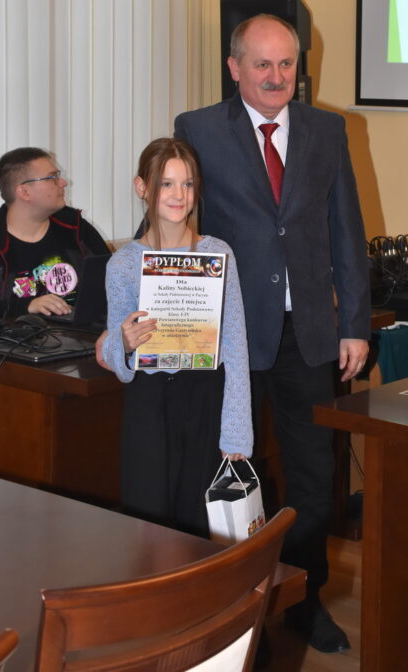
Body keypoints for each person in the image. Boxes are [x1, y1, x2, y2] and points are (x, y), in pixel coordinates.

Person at [174, 14, 370, 654]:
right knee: (230, 471)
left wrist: (355, 325)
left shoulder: (328, 129)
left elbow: (346, 228)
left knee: (314, 479)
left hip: (309, 335)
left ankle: (306, 600)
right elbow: (176, 225)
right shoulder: (198, 131)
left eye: (287, 64)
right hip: (228, 335)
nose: (276, 76)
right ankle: (229, 609)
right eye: (262, 64)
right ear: (235, 68)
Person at [101, 137, 252, 537]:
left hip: (204, 397)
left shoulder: (217, 254)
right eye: (166, 183)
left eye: (187, 184)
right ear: (142, 188)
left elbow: (235, 344)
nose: (178, 194)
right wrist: (126, 343)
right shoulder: (123, 264)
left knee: (198, 522)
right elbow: (116, 354)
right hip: (148, 403)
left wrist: (237, 430)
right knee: (147, 519)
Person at [0, 147, 110, 319]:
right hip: (15, 342)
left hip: (82, 339)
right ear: (24, 192)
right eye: (52, 177)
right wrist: (26, 305)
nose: (63, 183)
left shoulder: (75, 228)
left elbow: (113, 281)